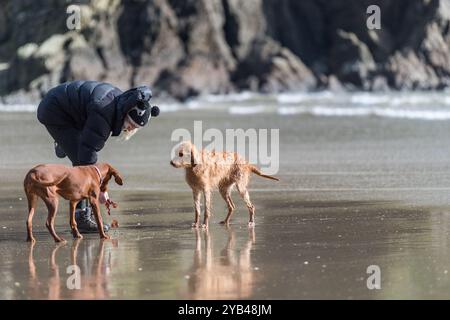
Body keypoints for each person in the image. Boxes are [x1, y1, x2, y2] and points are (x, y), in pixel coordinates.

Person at [37, 80, 160, 233]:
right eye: (130, 124)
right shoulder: (104, 113)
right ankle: (82, 219)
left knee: (82, 149)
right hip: (54, 111)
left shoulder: (120, 102)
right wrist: (100, 189)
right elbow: (87, 159)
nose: (129, 129)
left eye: (135, 128)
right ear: (127, 113)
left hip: (71, 111)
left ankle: (65, 142)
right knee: (80, 165)